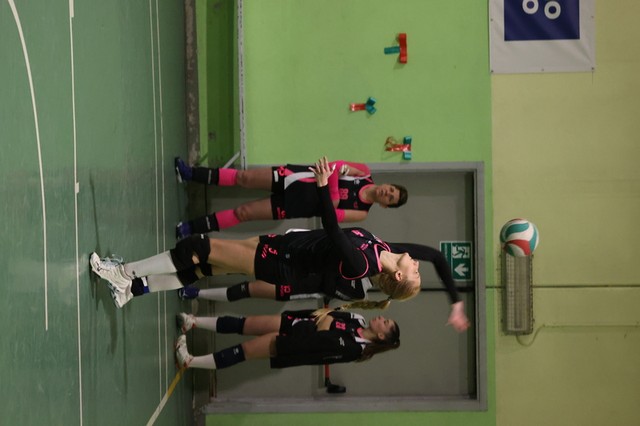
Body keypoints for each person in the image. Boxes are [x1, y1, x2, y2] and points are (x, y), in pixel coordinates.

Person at [90, 158, 469, 331]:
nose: (417, 265)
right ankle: (133, 290)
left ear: (398, 276)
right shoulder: (382, 246)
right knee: (204, 267)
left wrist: (323, 186)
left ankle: (122, 273)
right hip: (283, 247)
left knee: (198, 248)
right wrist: (455, 302)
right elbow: (435, 255)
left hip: (280, 261)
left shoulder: (363, 265)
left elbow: (332, 228)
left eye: (415, 273)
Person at [173, 157, 408, 238]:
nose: (386, 193)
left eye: (390, 198)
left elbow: (333, 212)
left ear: (385, 206)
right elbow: (334, 165)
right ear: (387, 184)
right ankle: (189, 173)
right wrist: (331, 188)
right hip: (296, 177)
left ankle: (190, 228)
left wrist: (332, 183)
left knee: (243, 213)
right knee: (243, 177)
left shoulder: (361, 213)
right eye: (390, 190)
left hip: (298, 204)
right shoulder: (364, 171)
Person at [174, 308, 400, 370]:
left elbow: (322, 338)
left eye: (385, 322)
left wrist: (327, 322)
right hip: (295, 322)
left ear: (381, 336)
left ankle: (189, 361)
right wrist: (326, 321)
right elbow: (327, 314)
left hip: (292, 344)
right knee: (245, 323)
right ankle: (193, 322)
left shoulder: (356, 350)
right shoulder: (357, 319)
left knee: (245, 350)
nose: (381, 318)